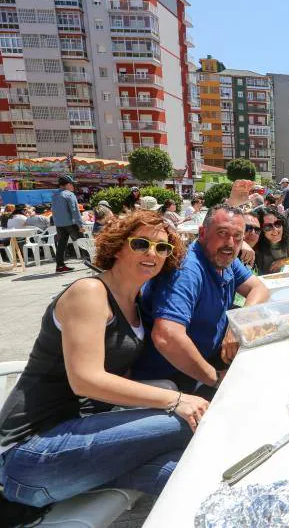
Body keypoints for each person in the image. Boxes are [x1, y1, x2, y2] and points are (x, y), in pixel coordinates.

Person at [0, 211, 207, 512]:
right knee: (188, 419)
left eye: (162, 248)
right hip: (28, 454)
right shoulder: (90, 292)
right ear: (118, 247)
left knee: (182, 471)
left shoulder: (134, 304)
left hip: (77, 440)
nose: (153, 253)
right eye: (141, 244)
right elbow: (85, 379)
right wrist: (177, 400)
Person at [133, 205, 270, 396]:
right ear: (203, 233)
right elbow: (166, 336)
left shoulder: (225, 257)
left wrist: (238, 324)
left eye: (237, 236)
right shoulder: (188, 270)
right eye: (222, 233)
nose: (230, 243)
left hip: (212, 357)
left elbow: (259, 288)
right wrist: (215, 379)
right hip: (178, 377)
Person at [252, 207, 289, 274]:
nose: (275, 230)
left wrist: (285, 261)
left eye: (278, 223)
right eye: (267, 227)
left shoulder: (288, 233)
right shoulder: (254, 241)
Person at [52, 175, 85, 273]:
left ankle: (60, 266)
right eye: (72, 184)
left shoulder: (54, 195)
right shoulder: (69, 195)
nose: (73, 186)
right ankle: (91, 261)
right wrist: (80, 225)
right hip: (71, 223)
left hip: (59, 224)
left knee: (61, 245)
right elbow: (75, 211)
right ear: (67, 184)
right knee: (83, 241)